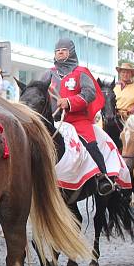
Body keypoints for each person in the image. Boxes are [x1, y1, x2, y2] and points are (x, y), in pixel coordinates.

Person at [41, 38, 114, 196]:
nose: (60, 52)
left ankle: (103, 177)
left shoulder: (81, 72)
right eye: (57, 50)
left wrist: (69, 102)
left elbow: (90, 93)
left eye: (64, 50)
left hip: (78, 120)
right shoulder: (48, 74)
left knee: (90, 144)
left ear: (71, 52)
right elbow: (40, 92)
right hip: (55, 120)